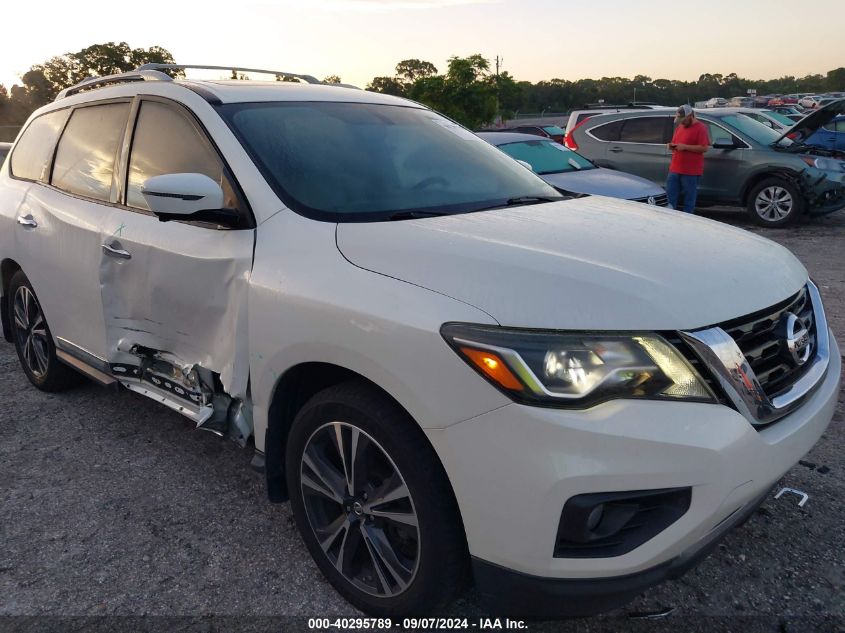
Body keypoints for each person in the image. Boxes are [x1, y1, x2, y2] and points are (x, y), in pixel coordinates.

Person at [666, 105, 710, 213]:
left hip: (691, 171)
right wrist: (672, 146)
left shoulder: (701, 128)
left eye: (683, 119)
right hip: (675, 169)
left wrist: (685, 147)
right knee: (670, 198)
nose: (681, 122)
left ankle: (688, 220)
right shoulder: (680, 128)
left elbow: (704, 148)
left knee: (689, 199)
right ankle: (669, 219)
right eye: (679, 119)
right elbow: (677, 143)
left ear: (690, 116)